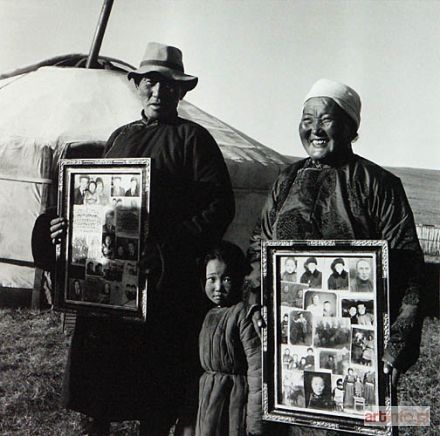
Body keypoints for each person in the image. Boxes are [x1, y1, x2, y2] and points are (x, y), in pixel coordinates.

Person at [44, 42, 234, 436]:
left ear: (180, 92)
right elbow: (96, 203)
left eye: (168, 85)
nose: (158, 92)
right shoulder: (118, 137)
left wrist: (168, 250)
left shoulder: (193, 140)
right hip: (109, 285)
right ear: (137, 85)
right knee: (100, 390)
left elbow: (220, 207)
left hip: (162, 287)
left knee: (155, 395)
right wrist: (67, 228)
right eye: (150, 82)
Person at [248, 78, 424, 393]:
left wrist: (397, 345)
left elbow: (409, 267)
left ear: (350, 128)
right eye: (307, 121)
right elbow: (260, 246)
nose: (315, 129)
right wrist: (257, 302)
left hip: (359, 346)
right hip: (291, 340)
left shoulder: (378, 184)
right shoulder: (285, 181)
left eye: (326, 120)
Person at [196, 241, 262, 436]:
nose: (218, 287)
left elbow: (257, 371)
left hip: (234, 405)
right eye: (211, 279)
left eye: (226, 279)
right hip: (210, 404)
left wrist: (254, 423)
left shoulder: (243, 314)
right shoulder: (209, 314)